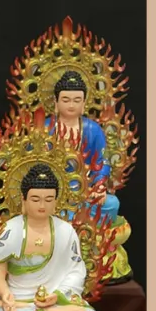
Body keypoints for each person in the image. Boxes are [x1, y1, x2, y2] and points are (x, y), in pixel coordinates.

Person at [0, 163, 103, 311]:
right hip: (19, 302)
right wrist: (5, 294)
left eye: (49, 199)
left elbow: (76, 271)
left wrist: (57, 295)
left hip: (55, 303)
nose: (42, 205)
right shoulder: (11, 230)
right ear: (24, 199)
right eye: (35, 199)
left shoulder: (65, 231)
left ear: (56, 201)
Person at [47, 70, 119, 223]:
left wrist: (99, 185)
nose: (71, 105)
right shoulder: (46, 128)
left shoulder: (93, 129)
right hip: (52, 191)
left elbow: (102, 161)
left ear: (84, 103)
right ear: (56, 102)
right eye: (65, 100)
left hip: (84, 190)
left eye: (77, 100)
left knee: (112, 204)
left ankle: (75, 221)